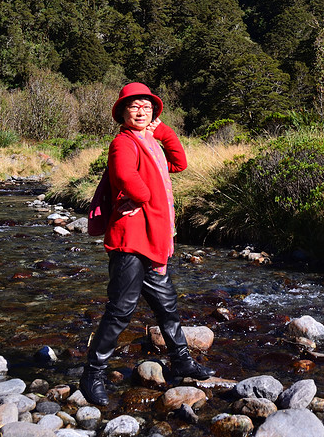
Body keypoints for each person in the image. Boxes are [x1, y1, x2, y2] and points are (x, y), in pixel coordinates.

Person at [79, 82, 214, 407]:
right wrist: (142, 196)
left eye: (146, 106)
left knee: (167, 307)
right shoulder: (123, 143)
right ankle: (92, 375)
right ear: (122, 113)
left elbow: (179, 163)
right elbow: (125, 176)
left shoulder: (152, 143)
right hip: (130, 239)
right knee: (121, 311)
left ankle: (181, 362)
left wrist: (164, 131)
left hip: (153, 239)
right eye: (133, 106)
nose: (141, 110)